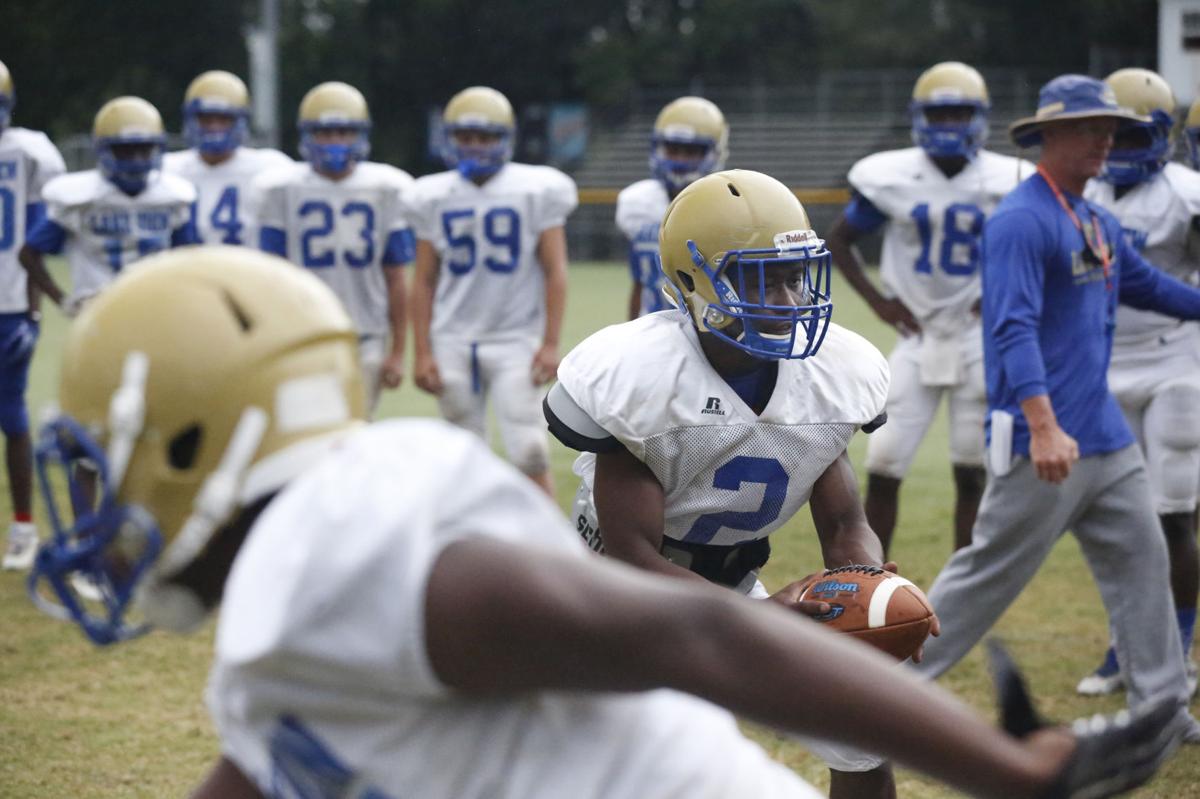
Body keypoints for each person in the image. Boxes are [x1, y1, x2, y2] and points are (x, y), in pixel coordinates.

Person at [27, 245, 1183, 799]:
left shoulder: (362, 555)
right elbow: (273, 747)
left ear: (202, 438)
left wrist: (1004, 768)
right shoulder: (295, 590)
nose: (98, 510)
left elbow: (697, 637)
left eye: (105, 464)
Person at [546, 169, 901, 799]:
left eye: (794, 276)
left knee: (861, 735)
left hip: (731, 581)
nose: (791, 301)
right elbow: (633, 556)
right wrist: (762, 618)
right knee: (617, 766)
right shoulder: (642, 377)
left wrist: (869, 593)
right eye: (762, 277)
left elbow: (846, 523)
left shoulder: (831, 373)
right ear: (693, 280)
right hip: (618, 599)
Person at [908, 73, 1200, 744]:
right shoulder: (1020, 219)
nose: (1106, 141)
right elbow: (1011, 328)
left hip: (1102, 436)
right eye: (1091, 128)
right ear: (1050, 136)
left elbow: (1150, 285)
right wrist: (1042, 426)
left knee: (1143, 560)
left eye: (1113, 131)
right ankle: (883, 687)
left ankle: (1162, 707)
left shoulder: (1093, 216)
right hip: (1046, 443)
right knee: (984, 578)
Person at [825, 62, 1033, 556]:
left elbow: (1029, 246)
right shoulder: (895, 176)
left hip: (974, 336)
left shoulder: (1007, 178)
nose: (949, 126)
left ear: (979, 118)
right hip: (917, 336)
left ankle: (962, 592)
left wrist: (1000, 292)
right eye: (940, 114)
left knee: (970, 468)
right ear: (920, 118)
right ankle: (870, 581)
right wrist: (879, 302)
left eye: (960, 114)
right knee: (885, 463)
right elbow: (839, 239)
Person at [1075, 68, 1200, 698]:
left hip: (1177, 364)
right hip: (1101, 365)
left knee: (1173, 514)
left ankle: (1174, 649)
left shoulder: (1186, 193)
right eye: (1109, 134)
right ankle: (1126, 644)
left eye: (1133, 135)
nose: (1119, 148)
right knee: (1118, 519)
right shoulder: (1079, 186)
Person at [410, 86, 576, 496]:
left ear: (505, 139)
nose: (475, 147)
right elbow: (424, 280)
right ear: (451, 140)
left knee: (531, 450)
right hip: (453, 337)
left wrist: (551, 342)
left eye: (485, 137)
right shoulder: (433, 194)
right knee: (465, 453)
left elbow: (555, 269)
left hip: (515, 337)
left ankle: (543, 544)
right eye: (466, 137)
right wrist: (424, 351)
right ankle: (479, 540)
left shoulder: (535, 189)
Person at [253, 81, 414, 413]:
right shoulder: (281, 189)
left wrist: (398, 351)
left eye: (344, 132)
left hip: (365, 333)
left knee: (356, 427)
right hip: (303, 331)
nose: (335, 142)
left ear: (361, 135)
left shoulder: (386, 188)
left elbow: (396, 278)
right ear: (307, 136)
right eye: (324, 133)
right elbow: (269, 275)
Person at [18, 95, 197, 319]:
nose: (136, 159)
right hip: (98, 311)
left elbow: (191, 259)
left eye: (144, 149)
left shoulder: (173, 198)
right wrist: (63, 301)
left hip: (155, 309)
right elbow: (28, 254)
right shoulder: (80, 200)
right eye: (125, 150)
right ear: (103, 150)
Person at [0, 59, 66, 570]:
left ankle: (23, 525)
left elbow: (36, 241)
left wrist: (33, 311)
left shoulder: (29, 152)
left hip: (8, 305)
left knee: (13, 415)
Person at [617, 96, 727, 319]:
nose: (679, 160)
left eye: (690, 151)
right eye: (673, 150)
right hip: (653, 327)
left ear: (715, 153)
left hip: (708, 329)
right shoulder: (638, 203)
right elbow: (640, 281)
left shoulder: (726, 205)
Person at [162, 70, 292, 247]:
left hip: (247, 272)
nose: (214, 127)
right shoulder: (167, 170)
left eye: (224, 119)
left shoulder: (272, 168)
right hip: (186, 272)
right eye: (206, 120)